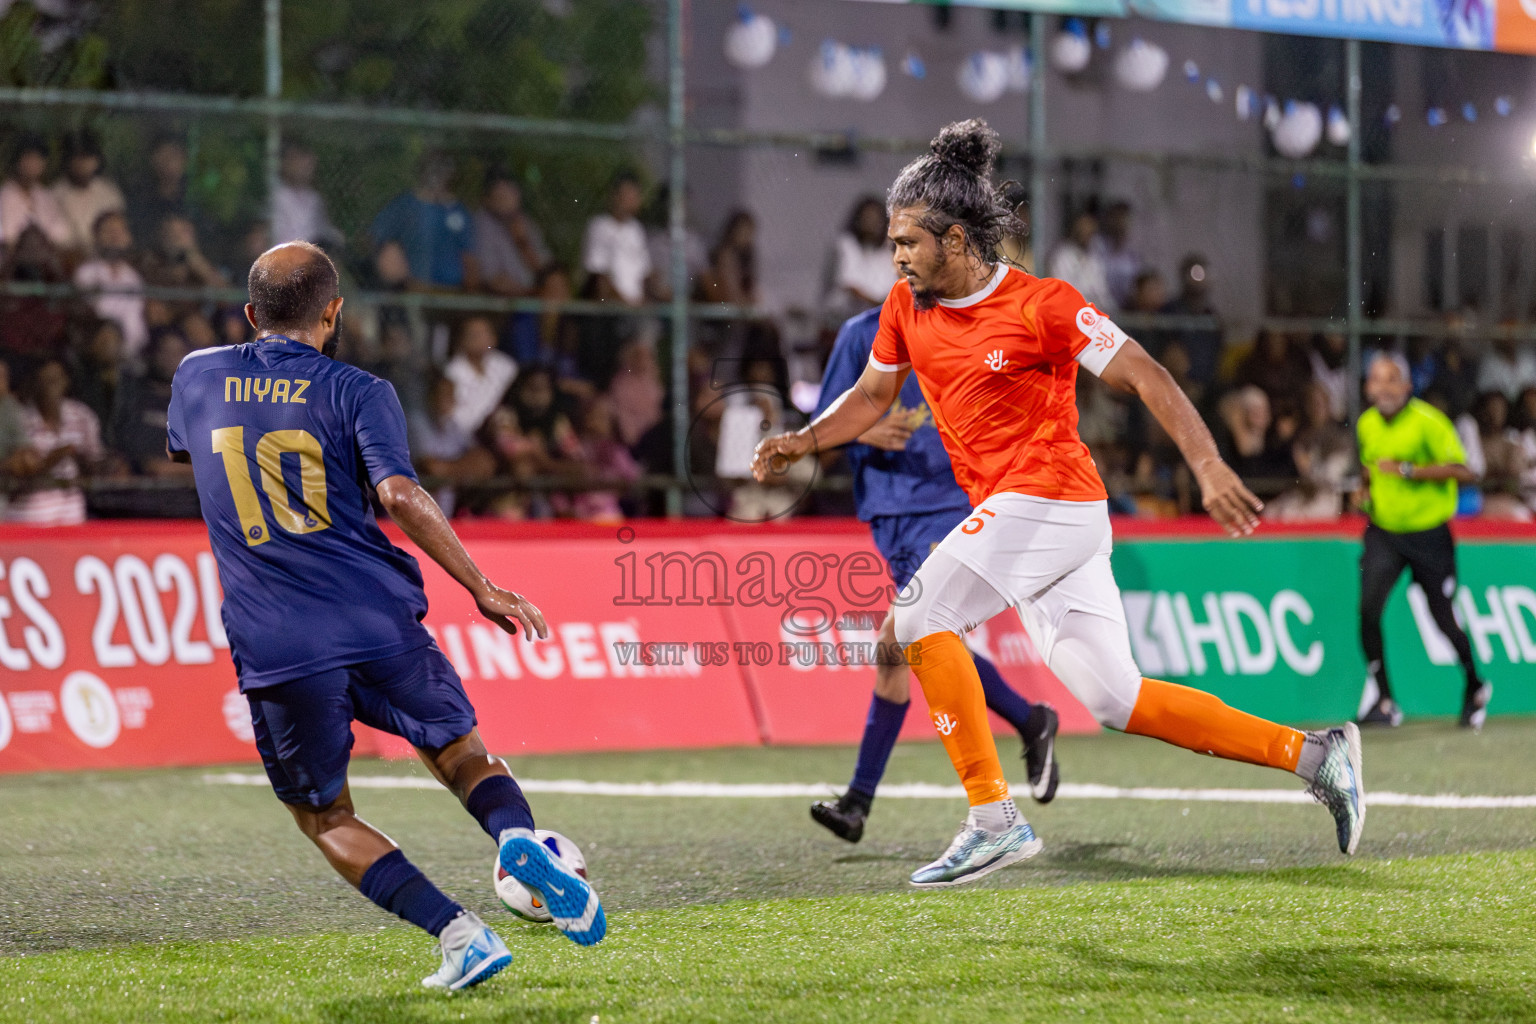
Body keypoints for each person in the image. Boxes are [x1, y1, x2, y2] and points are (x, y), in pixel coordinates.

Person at [752, 119, 1364, 888]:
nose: (896, 255)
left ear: (957, 238)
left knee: (915, 619)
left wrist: (1207, 465)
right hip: (1030, 521)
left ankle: (992, 819)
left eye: (908, 241)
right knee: (1118, 698)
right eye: (892, 242)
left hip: (1053, 499)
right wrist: (802, 441)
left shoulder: (1043, 304)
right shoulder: (905, 310)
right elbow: (874, 395)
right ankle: (1316, 755)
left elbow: (1144, 373)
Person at [165, 241, 605, 990]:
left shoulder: (196, 375)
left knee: (326, 814)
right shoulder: (361, 390)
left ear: (248, 313)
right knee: (463, 754)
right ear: (333, 315)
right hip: (377, 616)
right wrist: (482, 586)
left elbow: (192, 453)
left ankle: (460, 934)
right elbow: (400, 496)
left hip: (281, 638)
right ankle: (517, 838)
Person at [806, 306, 1061, 844]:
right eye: (899, 246)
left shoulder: (965, 329)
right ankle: (1028, 719)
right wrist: (865, 431)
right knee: (900, 647)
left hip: (948, 503)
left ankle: (865, 799)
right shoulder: (859, 334)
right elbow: (824, 422)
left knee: (912, 636)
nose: (906, 259)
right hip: (889, 511)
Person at [1354, 353, 1490, 729]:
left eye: (1392, 379)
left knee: (1442, 617)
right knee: (1368, 610)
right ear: (1367, 388)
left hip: (1429, 534)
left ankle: (1475, 685)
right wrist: (1362, 490)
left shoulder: (1429, 422)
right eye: (1376, 380)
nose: (1384, 387)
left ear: (1407, 386)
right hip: (1384, 531)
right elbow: (1370, 467)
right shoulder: (1367, 425)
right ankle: (1383, 700)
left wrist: (1410, 469)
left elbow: (1466, 470)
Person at [7, 359, 104, 526]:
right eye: (44, 380)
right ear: (33, 383)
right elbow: (15, 471)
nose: (50, 386)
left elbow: (96, 465)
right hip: (27, 518)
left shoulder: (82, 416)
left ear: (66, 381)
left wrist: (83, 460)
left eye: (55, 379)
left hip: (71, 516)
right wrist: (60, 454)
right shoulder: (18, 418)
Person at [370, 153, 476, 290]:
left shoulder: (459, 210)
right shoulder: (405, 204)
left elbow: (469, 254)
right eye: (432, 168)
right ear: (422, 171)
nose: (437, 174)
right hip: (411, 290)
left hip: (454, 291)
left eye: (443, 168)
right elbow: (375, 238)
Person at [73, 210, 149, 357]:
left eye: (119, 231)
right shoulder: (86, 273)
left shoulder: (134, 278)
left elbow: (136, 323)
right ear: (96, 238)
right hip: (98, 351)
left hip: (133, 355)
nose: (115, 236)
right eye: (108, 231)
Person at [472, 171, 550, 298]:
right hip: (499, 303)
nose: (509, 197)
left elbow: (545, 271)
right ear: (487, 199)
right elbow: (493, 280)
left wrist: (523, 243)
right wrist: (532, 293)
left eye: (512, 191)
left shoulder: (525, 222)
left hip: (530, 299)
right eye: (501, 194)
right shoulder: (481, 225)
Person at [51, 128, 126, 256]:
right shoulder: (54, 195)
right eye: (77, 157)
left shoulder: (108, 193)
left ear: (96, 160)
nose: (82, 164)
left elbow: (119, 234)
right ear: (67, 160)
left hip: (107, 259)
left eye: (87, 157)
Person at [581, 171, 650, 306]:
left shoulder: (636, 230)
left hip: (636, 307)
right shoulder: (599, 226)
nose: (632, 200)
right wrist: (625, 303)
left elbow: (645, 273)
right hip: (610, 308)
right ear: (615, 195)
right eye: (628, 194)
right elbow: (599, 276)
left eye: (635, 195)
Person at [443, 315, 517, 435]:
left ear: (494, 337)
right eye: (475, 334)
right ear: (462, 339)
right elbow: (450, 416)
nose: (482, 339)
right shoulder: (451, 372)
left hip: (502, 432)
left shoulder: (506, 366)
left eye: (485, 333)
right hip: (463, 436)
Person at [824, 197, 896, 318]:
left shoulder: (888, 250)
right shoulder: (846, 244)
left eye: (876, 219)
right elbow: (851, 286)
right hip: (843, 319)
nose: (871, 224)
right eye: (867, 218)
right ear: (858, 220)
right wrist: (881, 304)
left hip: (877, 318)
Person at [0, 134, 71, 252]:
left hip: (45, 262)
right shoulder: (3, 196)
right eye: (28, 158)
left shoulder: (47, 197)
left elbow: (63, 235)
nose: (33, 164)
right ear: (17, 161)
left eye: (38, 159)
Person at [271, 141, 343, 249]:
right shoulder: (277, 196)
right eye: (298, 162)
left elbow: (322, 229)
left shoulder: (314, 198)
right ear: (285, 164)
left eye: (308, 164)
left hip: (311, 254)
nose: (305, 168)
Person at [1047, 209, 1114, 311]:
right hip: (1070, 312)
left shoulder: (1095, 256)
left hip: (1094, 314)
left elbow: (1102, 293)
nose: (1086, 232)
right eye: (1083, 228)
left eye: (1090, 228)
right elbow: (1062, 291)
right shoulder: (1062, 255)